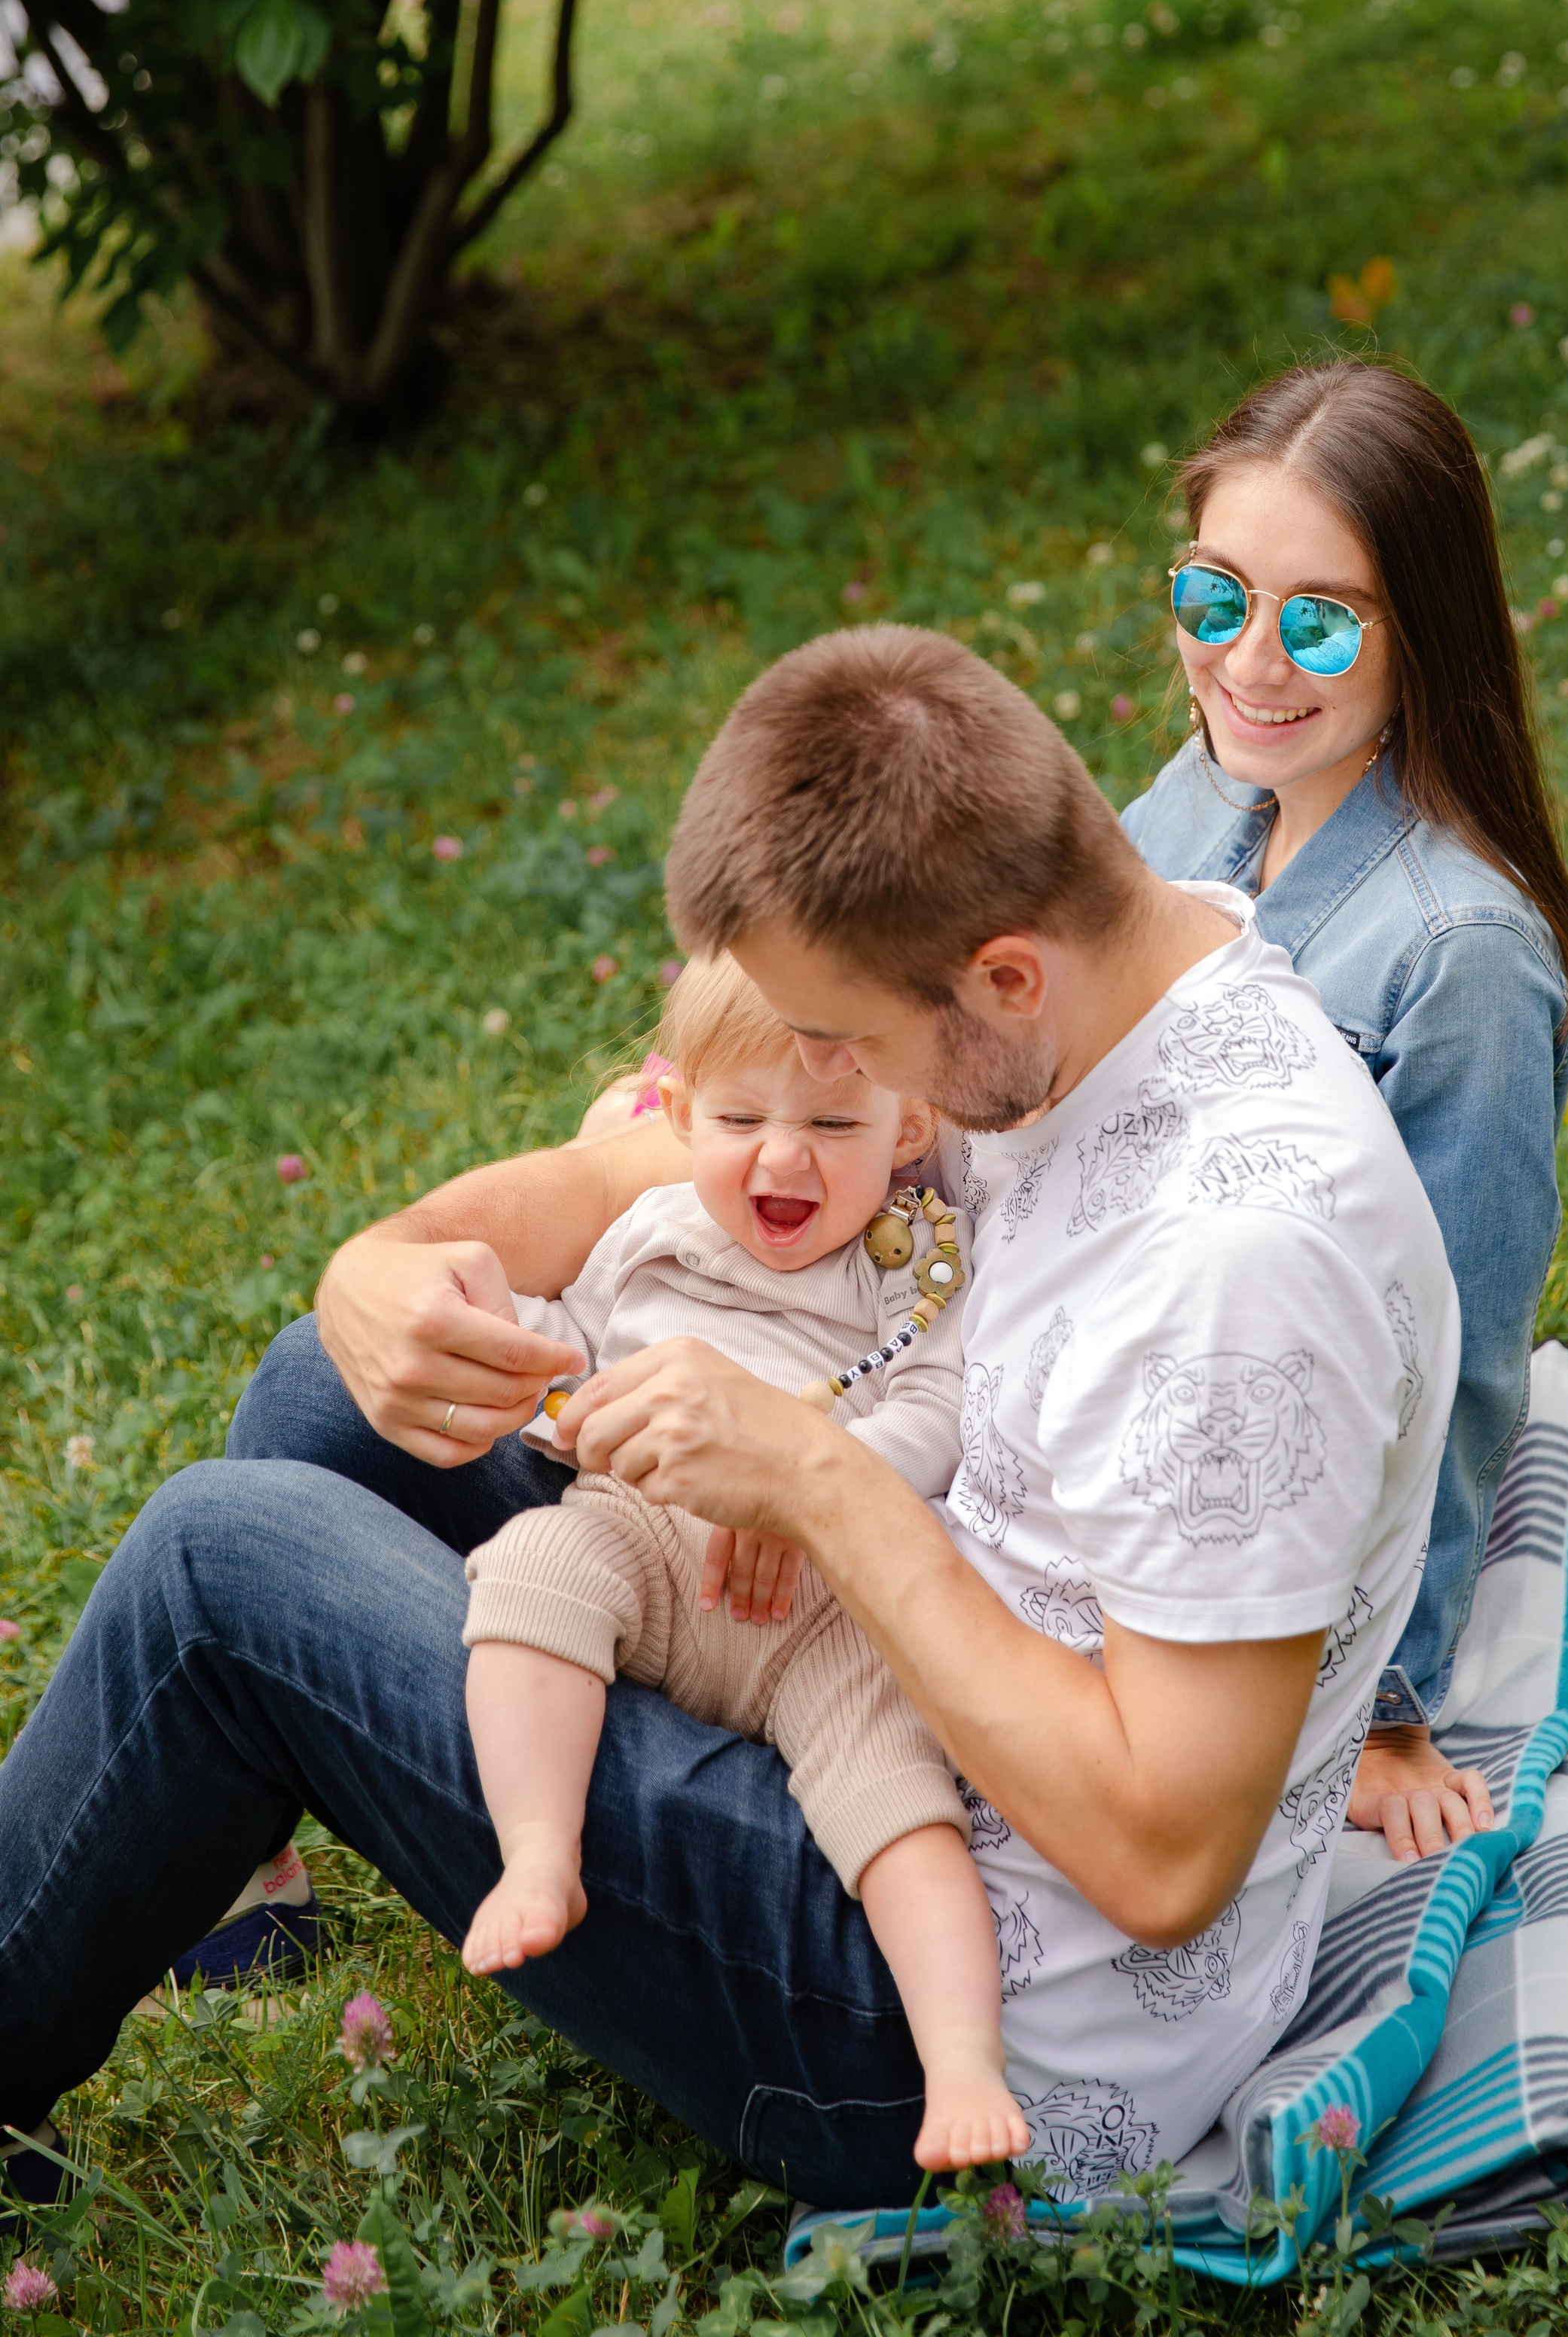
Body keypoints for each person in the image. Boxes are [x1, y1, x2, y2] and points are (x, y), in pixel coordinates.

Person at [0, 626, 1457, 2211]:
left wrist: (819, 1484)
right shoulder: (1107, 990)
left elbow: (1162, 1866)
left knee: (220, 1575)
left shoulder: (1228, 1266)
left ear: (998, 984)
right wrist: (382, 1264)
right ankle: (200, 1859)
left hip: (938, 2002)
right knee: (321, 1383)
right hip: (842, 1687)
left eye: (858, 1058)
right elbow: (635, 1174)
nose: (857, 1109)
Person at [1119, 358, 1568, 1864]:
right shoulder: (1201, 791)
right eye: (1214, 600)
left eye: (1316, 619)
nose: (1248, 665)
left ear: (1421, 636)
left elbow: (1450, 1354)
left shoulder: (1459, 958)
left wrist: (1384, 1709)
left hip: (1231, 1452)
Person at [459, 950, 1027, 2175]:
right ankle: (539, 1851)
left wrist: (805, 1470)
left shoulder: (911, 1262)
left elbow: (940, 1413)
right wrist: (521, 1350)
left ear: (909, 1119)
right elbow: (574, 1350)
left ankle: (962, 2061)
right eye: (739, 1119)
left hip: (829, 1607)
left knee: (899, 1801)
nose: (783, 1158)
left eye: (833, 1118)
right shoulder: (648, 1234)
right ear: (676, 1117)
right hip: (648, 1545)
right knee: (533, 1574)